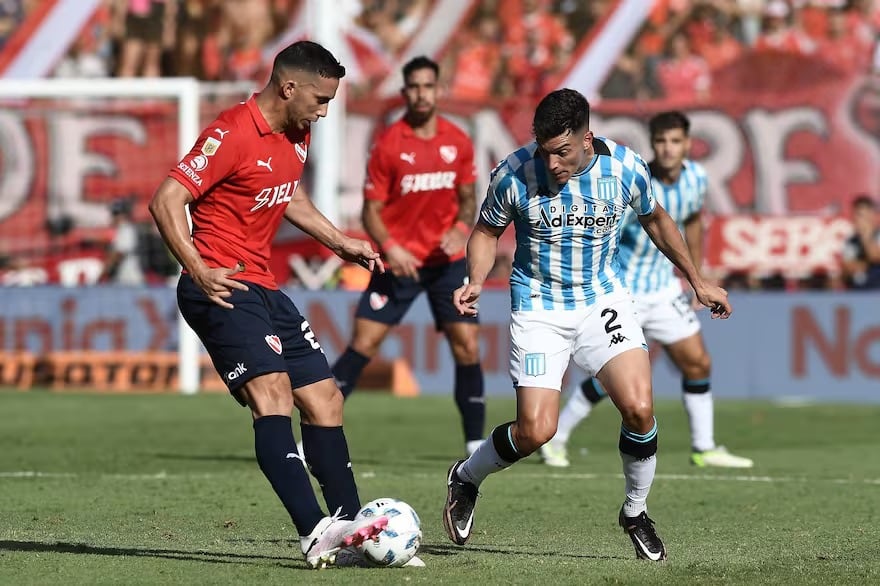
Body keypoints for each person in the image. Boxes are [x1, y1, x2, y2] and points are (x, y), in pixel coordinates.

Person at [442, 89, 732, 562]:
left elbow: (656, 219)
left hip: (603, 300)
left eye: (562, 151)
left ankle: (635, 512)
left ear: (586, 138)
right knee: (537, 431)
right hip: (539, 305)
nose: (552, 161)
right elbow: (486, 232)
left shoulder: (624, 168)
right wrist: (475, 278)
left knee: (639, 408)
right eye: (544, 149)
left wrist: (697, 280)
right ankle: (466, 477)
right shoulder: (514, 173)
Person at [148, 41, 389, 570]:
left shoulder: (295, 132)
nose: (324, 111)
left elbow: (286, 193)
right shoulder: (231, 132)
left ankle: (353, 530)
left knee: (326, 399)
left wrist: (339, 240)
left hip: (265, 286)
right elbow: (166, 199)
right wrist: (198, 267)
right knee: (272, 394)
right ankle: (314, 532)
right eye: (321, 99)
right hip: (221, 285)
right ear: (289, 87)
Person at [541, 111, 753, 470]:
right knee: (614, 380)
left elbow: (693, 222)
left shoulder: (697, 179)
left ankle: (704, 447)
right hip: (626, 292)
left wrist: (695, 277)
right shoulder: (633, 177)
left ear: (687, 144)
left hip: (664, 289)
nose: (667, 149)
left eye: (674, 141)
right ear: (652, 144)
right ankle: (557, 438)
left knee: (698, 362)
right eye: (660, 141)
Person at [331, 56, 485, 456]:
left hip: (446, 265)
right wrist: (392, 247)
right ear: (404, 92)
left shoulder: (458, 142)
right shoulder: (388, 145)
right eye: (413, 87)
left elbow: (468, 202)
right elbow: (370, 212)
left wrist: (459, 228)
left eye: (428, 86)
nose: (421, 94)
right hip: (398, 263)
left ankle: (474, 443)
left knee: (466, 346)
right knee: (362, 345)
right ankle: (315, 434)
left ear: (439, 90)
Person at [101, 199, 145, 285]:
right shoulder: (122, 230)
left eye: (115, 213)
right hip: (124, 280)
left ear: (123, 215)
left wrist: (102, 274)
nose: (112, 216)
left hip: (130, 281)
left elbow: (118, 254)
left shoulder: (126, 229)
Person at [841, 195, 880, 289]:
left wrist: (866, 236)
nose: (860, 220)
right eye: (857, 215)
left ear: (872, 216)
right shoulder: (851, 241)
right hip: (858, 292)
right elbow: (848, 267)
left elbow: (875, 256)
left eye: (863, 216)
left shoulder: (878, 235)